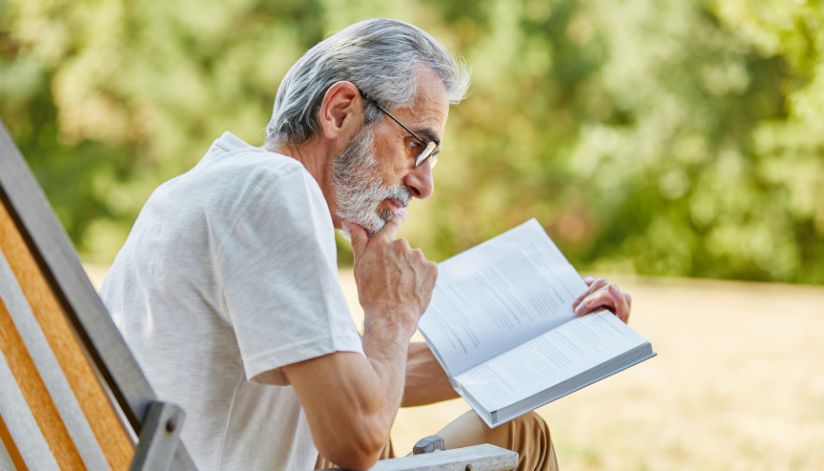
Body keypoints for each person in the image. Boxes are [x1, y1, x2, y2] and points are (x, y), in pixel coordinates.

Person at [100, 18, 632, 471]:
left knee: (498, 427)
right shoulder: (276, 189)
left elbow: (352, 377)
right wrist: (391, 312)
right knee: (520, 438)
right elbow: (354, 436)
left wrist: (551, 329)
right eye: (416, 145)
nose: (424, 184)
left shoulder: (219, 183)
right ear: (338, 111)